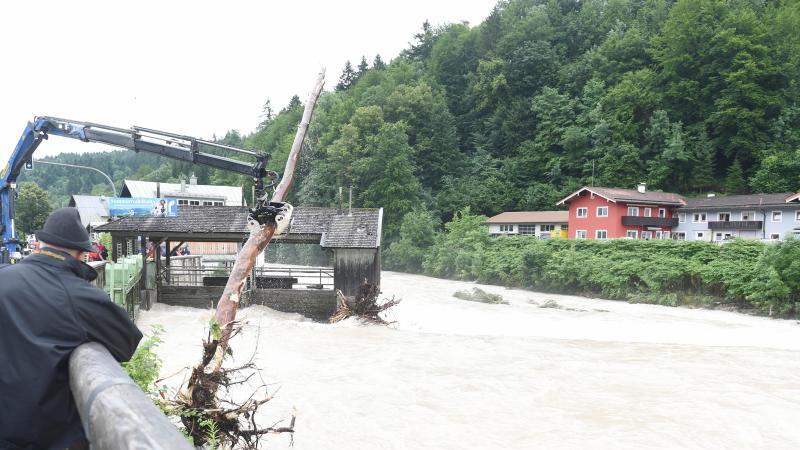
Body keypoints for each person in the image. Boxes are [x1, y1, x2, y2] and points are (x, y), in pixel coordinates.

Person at [0, 208, 142, 449]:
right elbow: (126, 341)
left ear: (39, 245)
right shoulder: (76, 295)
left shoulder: (4, 277)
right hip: (44, 437)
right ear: (81, 255)